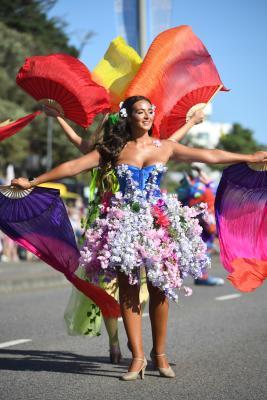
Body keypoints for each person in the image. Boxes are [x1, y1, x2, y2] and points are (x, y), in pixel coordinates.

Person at [12, 96, 267, 381]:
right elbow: (74, 166)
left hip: (160, 223)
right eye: (139, 111)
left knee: (160, 289)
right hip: (123, 225)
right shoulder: (114, 148)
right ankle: (137, 358)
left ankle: (160, 356)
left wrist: (249, 157)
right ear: (128, 116)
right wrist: (34, 181)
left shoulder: (165, 146)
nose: (146, 116)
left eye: (150, 111)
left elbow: (209, 155)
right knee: (128, 290)